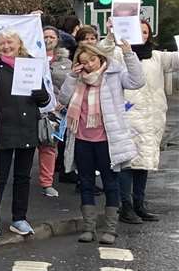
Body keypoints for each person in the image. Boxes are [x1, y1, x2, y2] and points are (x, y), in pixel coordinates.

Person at [57, 33, 145, 245]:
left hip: (108, 139)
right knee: (86, 182)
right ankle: (89, 228)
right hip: (82, 138)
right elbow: (63, 100)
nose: (88, 66)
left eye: (92, 60)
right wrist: (71, 76)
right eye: (83, 62)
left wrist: (128, 54)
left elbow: (137, 81)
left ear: (100, 58)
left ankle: (111, 229)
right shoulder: (77, 79)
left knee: (110, 182)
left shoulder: (114, 74)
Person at [0, 30, 49, 237]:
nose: (6, 46)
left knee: (22, 177)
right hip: (1, 129)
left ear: (19, 44)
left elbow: (44, 100)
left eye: (10, 42)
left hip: (26, 128)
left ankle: (19, 218)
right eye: (2, 43)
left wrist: (40, 94)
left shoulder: (30, 65)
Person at [118, 19, 179, 224]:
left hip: (151, 117)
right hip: (129, 115)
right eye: (139, 31)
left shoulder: (157, 56)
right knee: (127, 162)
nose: (142, 35)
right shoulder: (120, 54)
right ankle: (125, 206)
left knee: (143, 163)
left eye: (145, 32)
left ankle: (139, 205)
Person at [37, 27, 72, 198]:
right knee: (30, 146)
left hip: (55, 110)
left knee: (49, 145)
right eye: (45, 36)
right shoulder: (31, 57)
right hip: (33, 107)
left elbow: (71, 83)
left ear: (58, 39)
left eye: (52, 36)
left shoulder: (66, 61)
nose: (48, 39)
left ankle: (47, 183)